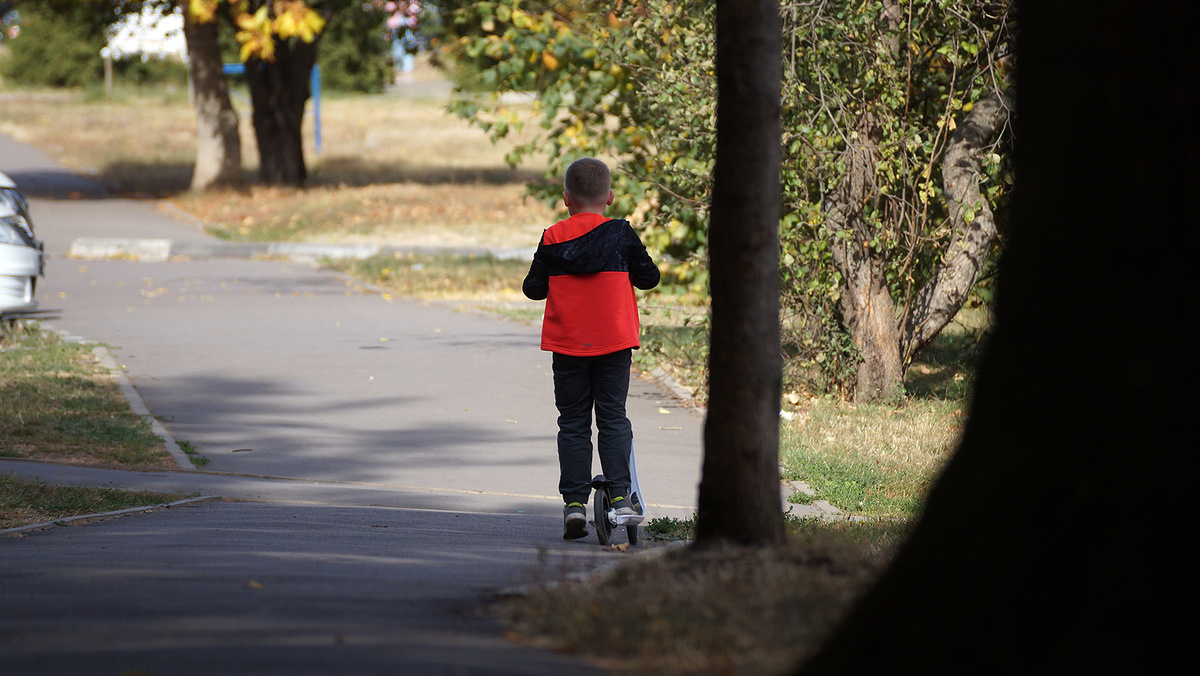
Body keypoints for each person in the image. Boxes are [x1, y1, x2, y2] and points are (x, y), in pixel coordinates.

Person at [523, 157, 661, 540]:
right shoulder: (621, 234)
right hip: (614, 342)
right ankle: (620, 497)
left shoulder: (552, 237)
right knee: (613, 417)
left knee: (572, 422)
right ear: (611, 197)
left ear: (566, 199)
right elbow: (650, 278)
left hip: (568, 344)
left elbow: (532, 289)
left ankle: (573, 504)